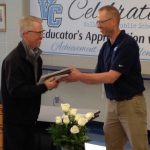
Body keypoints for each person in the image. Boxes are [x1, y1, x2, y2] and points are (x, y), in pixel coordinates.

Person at [61, 5, 149, 150]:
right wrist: (74, 77)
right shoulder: (105, 47)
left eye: (101, 22)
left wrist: (80, 76)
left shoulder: (127, 44)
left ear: (113, 21)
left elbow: (111, 77)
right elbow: (98, 76)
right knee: (111, 145)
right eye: (97, 22)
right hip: (112, 105)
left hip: (131, 105)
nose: (98, 26)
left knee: (139, 147)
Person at [1, 16, 59, 150]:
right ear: (26, 34)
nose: (42, 37)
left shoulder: (37, 59)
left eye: (42, 33)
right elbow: (16, 91)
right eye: (39, 33)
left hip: (30, 119)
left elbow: (33, 85)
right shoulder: (13, 60)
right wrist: (44, 87)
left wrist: (45, 83)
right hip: (16, 123)